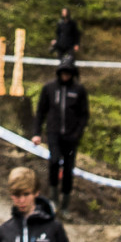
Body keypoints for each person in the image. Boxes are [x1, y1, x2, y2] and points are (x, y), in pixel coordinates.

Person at [32, 54, 89, 215]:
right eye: (63, 72)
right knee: (54, 161)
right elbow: (40, 112)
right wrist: (36, 133)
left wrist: (77, 133)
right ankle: (53, 199)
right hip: (54, 134)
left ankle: (65, 206)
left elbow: (84, 115)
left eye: (68, 72)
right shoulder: (49, 88)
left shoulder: (79, 90)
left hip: (71, 137)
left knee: (68, 169)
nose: (65, 75)